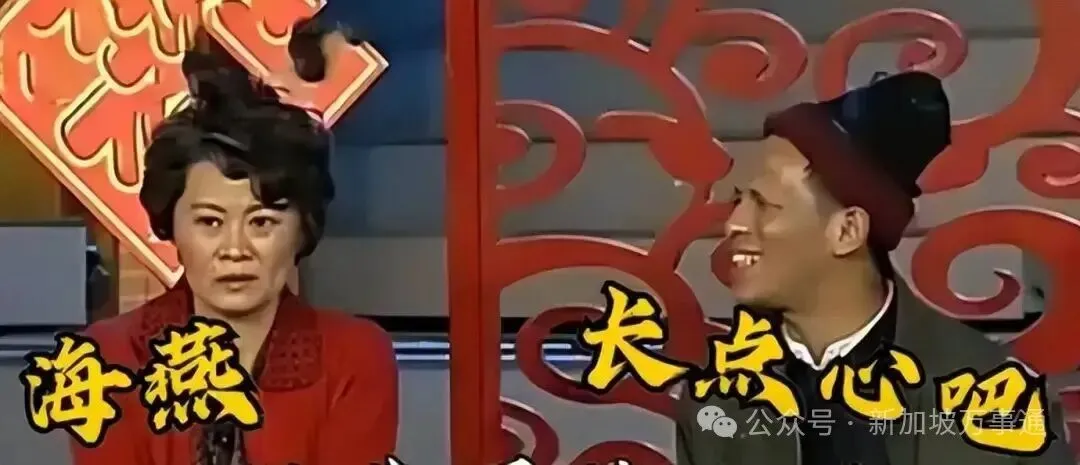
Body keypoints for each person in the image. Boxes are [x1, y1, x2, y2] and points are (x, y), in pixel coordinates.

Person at [675, 72, 1072, 464]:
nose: (735, 224)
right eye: (739, 200)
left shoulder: (999, 399)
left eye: (763, 204)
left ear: (847, 231)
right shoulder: (717, 397)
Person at [70, 20, 398, 465]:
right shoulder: (108, 358)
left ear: (303, 228)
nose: (235, 249)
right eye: (210, 222)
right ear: (171, 224)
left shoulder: (355, 358)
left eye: (262, 222)